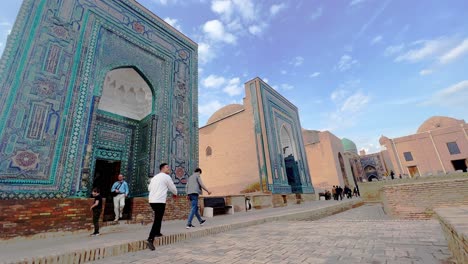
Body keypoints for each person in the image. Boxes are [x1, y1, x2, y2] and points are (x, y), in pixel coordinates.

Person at [146, 163, 178, 251]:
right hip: (159, 201)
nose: (169, 168)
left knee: (158, 217)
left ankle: (157, 232)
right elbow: (173, 188)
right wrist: (175, 193)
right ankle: (150, 239)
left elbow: (149, 189)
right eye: (167, 167)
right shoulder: (166, 177)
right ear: (162, 168)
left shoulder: (154, 178)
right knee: (157, 219)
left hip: (152, 200)